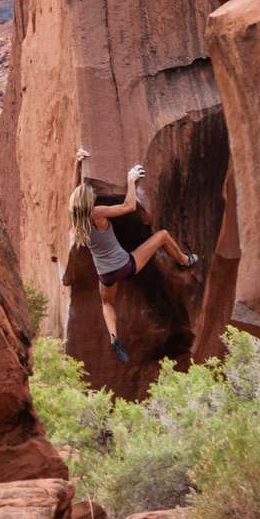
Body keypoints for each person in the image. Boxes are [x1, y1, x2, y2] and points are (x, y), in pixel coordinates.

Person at [68, 148, 198, 363]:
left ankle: (114, 337)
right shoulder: (97, 213)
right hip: (126, 265)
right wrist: (131, 180)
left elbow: (76, 196)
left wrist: (77, 165)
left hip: (106, 275)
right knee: (163, 235)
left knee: (107, 304)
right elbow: (129, 206)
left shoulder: (76, 219)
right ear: (88, 203)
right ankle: (185, 260)